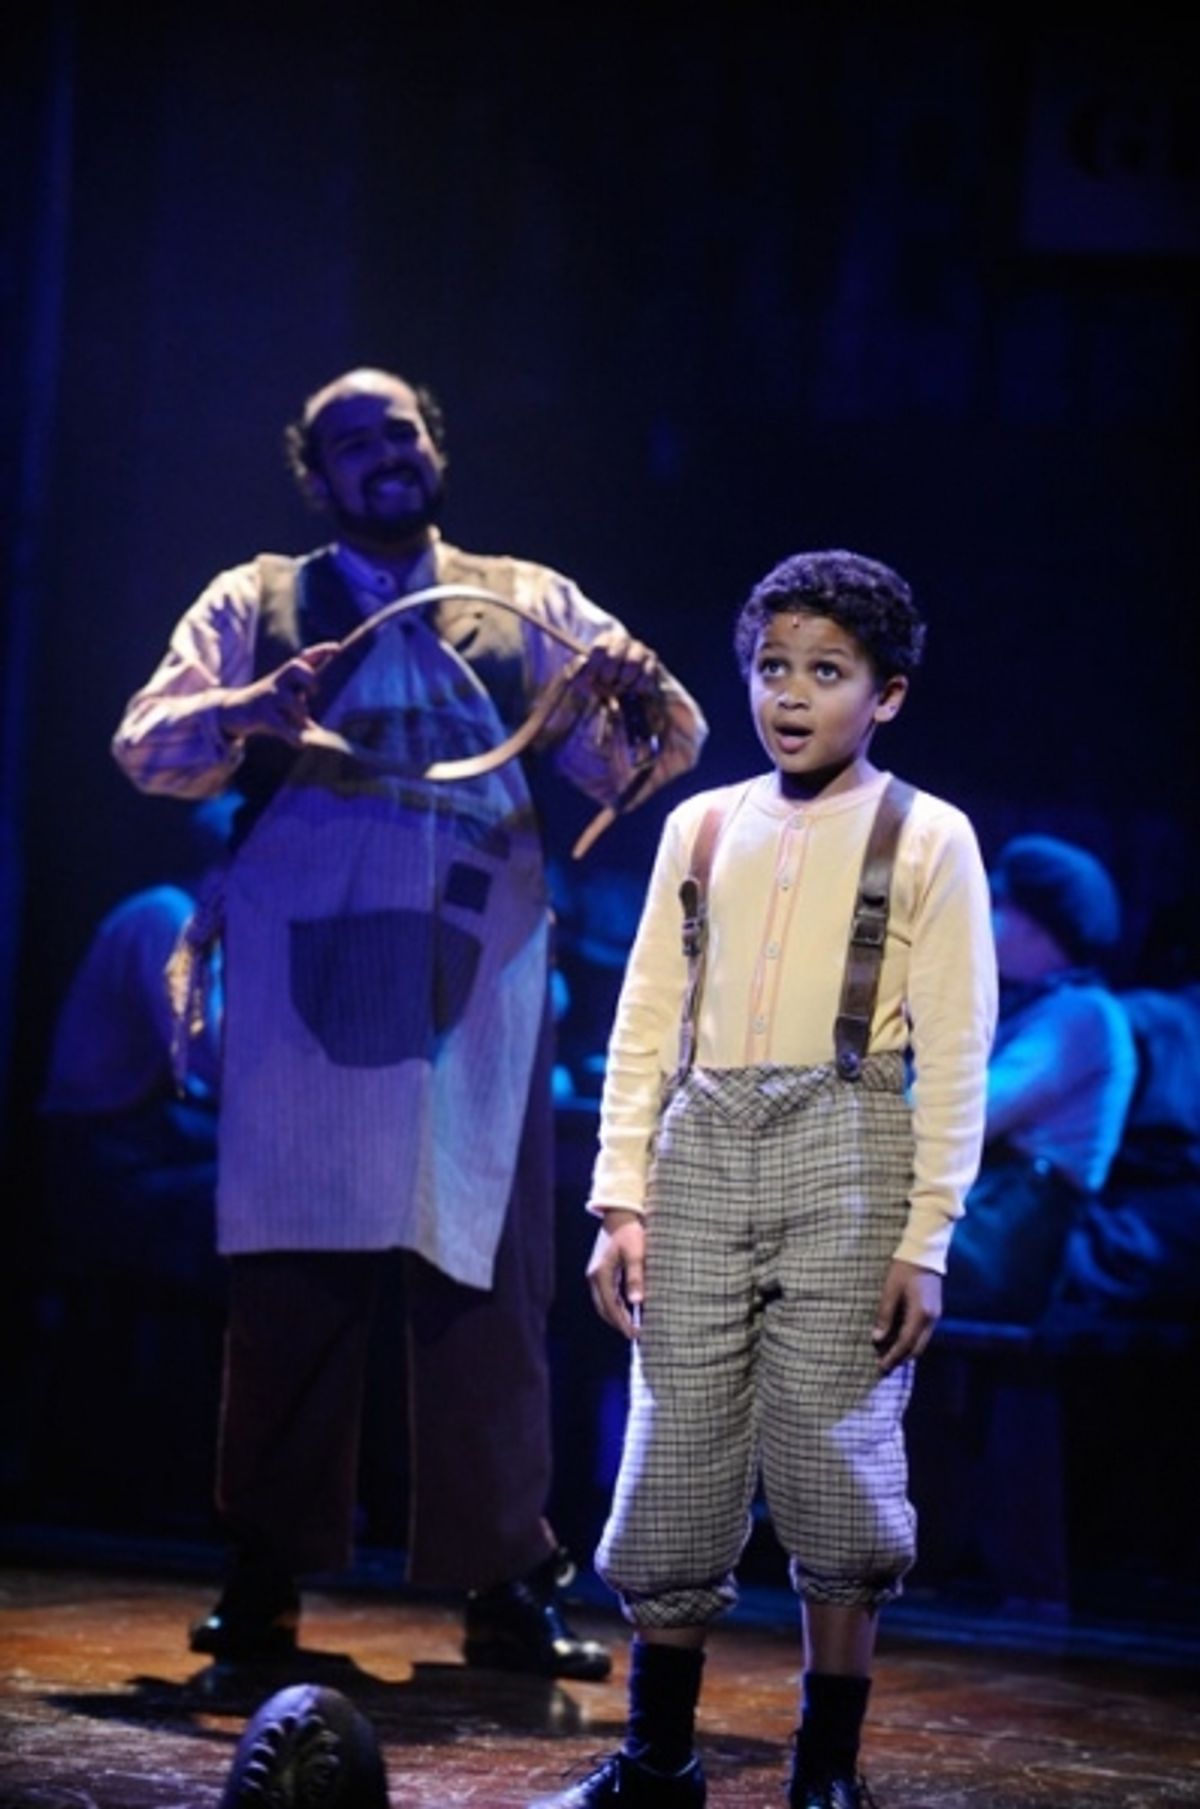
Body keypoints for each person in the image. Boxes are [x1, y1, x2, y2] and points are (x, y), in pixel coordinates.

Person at [110, 366, 707, 1677]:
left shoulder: (523, 600)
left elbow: (651, 753)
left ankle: (505, 1580)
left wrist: (627, 689)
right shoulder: (257, 602)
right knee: (291, 1273)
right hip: (305, 975)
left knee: (487, 1276)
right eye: (352, 440)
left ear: (436, 447)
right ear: (313, 474)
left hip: (472, 983)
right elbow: (146, 743)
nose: (384, 451)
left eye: (403, 429)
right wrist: (245, 709)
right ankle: (262, 1578)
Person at [532, 551, 996, 1809]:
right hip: (700, 1146)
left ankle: (824, 1769)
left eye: (827, 672)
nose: (791, 694)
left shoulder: (928, 836)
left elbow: (957, 1054)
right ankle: (657, 1759)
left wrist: (928, 1239)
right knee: (675, 1444)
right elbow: (645, 1020)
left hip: (850, 1148)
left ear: (886, 695)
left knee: (837, 1454)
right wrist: (620, 1201)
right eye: (772, 667)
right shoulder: (702, 824)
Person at [943, 833, 1139, 1323]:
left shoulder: (1082, 1015)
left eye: (998, 906)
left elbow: (961, 1116)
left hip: (1001, 1240)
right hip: (983, 1224)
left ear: (1037, 928)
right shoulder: (1043, 1009)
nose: (984, 920)